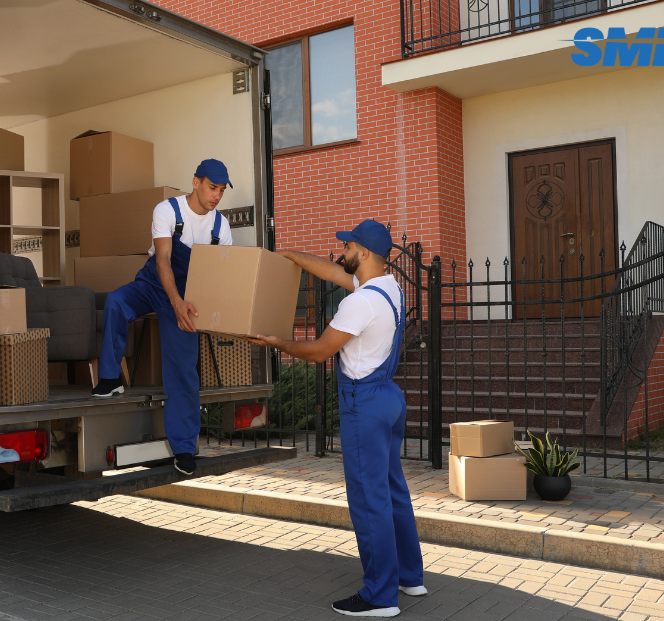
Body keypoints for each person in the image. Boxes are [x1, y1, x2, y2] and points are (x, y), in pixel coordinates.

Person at [248, 220, 424, 617]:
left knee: (368, 499)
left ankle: (380, 597)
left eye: (346, 246)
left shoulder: (359, 303)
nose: (340, 251)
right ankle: (410, 577)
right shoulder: (388, 287)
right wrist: (292, 255)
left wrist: (277, 343)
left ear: (362, 253)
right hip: (389, 398)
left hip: (364, 403)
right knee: (393, 490)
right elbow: (331, 271)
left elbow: (317, 352)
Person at [91, 159, 233, 476]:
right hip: (155, 282)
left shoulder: (220, 227)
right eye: (213, 187)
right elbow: (164, 260)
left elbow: (219, 274)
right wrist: (175, 300)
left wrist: (198, 308)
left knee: (182, 368)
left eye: (222, 190)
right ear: (196, 182)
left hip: (189, 294)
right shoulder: (167, 210)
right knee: (115, 302)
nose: (217, 196)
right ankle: (110, 378)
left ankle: (183, 449)